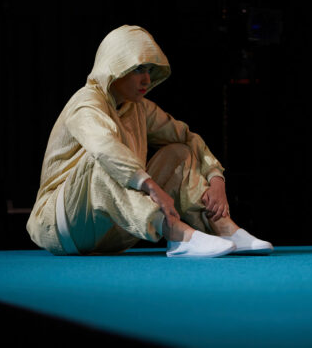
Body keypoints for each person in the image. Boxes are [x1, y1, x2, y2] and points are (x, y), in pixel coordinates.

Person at [26, 25, 273, 257]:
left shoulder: (139, 108)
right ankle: (179, 235)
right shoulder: (85, 102)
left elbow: (186, 137)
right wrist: (152, 187)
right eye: (137, 69)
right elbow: (105, 149)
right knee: (102, 162)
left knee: (180, 152)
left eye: (149, 71)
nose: (146, 79)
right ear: (115, 67)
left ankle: (223, 226)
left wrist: (215, 177)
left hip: (115, 232)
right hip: (64, 227)